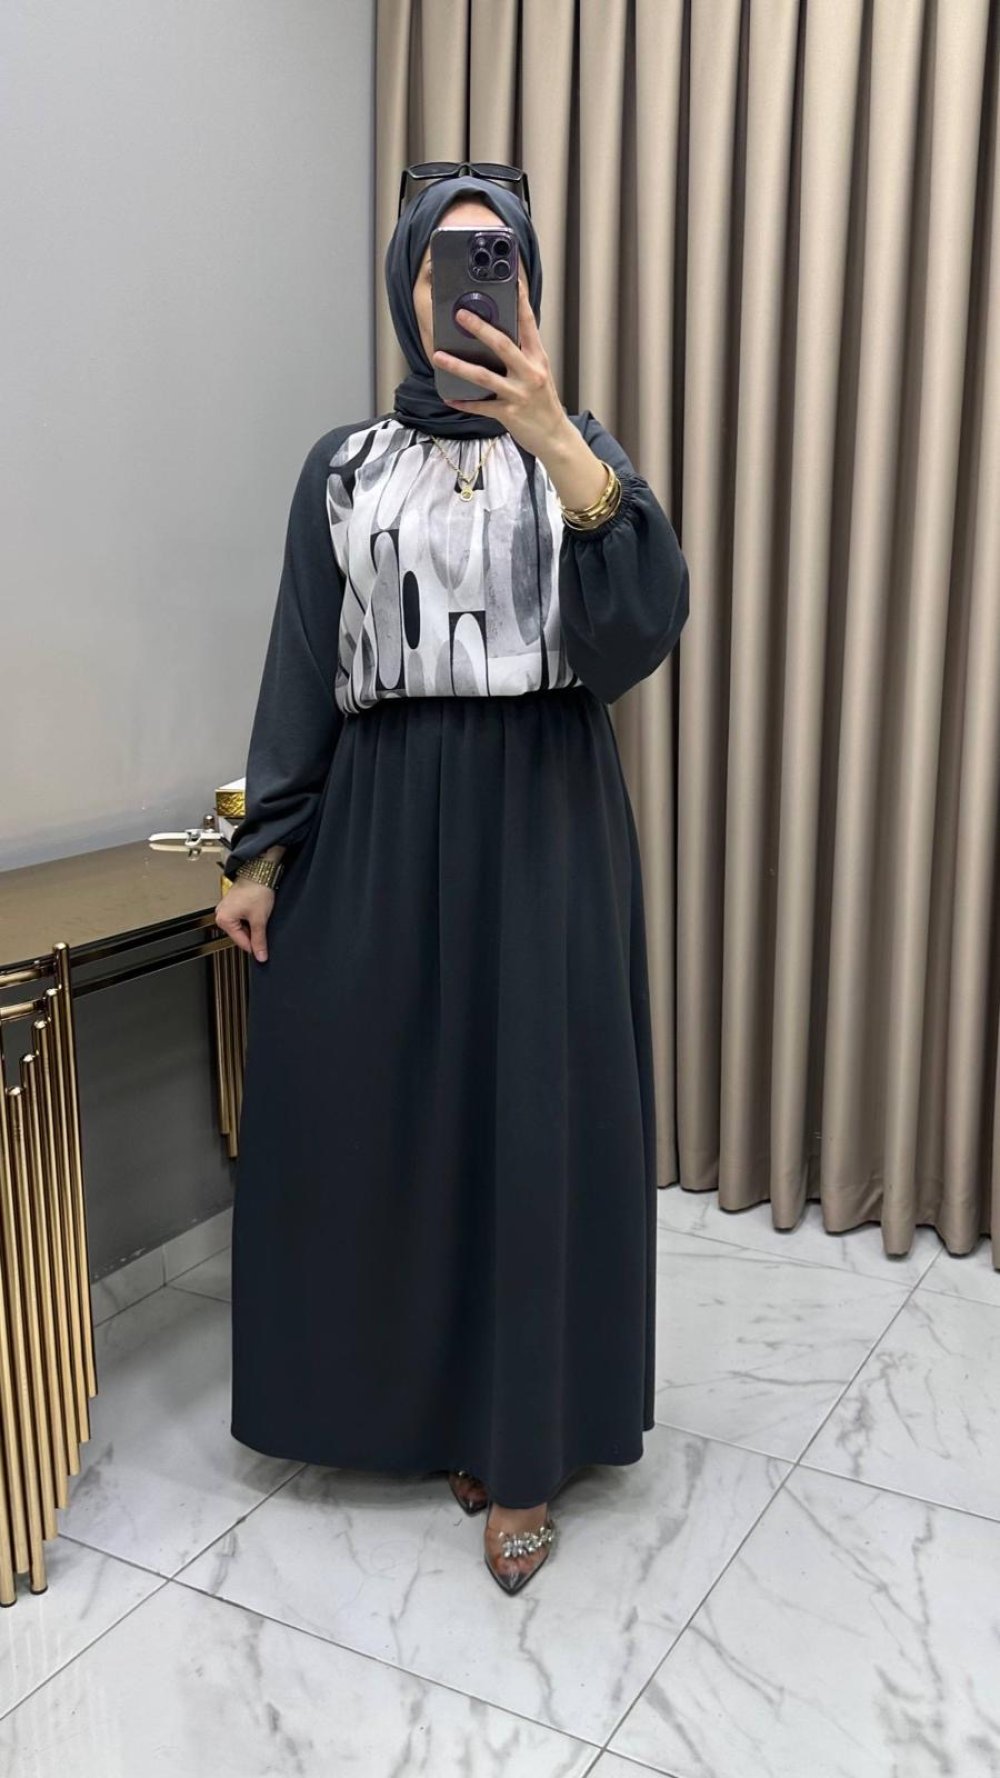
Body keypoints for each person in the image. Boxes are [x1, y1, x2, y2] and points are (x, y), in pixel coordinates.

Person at [214, 164, 690, 1595]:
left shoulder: (581, 455)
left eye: (501, 260)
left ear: (529, 288)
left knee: (531, 1126)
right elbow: (303, 661)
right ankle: (416, 1403)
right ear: (408, 286)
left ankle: (520, 1445)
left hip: (543, 816)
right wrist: (261, 849)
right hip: (379, 818)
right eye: (447, 261)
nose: (474, 283)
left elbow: (638, 635)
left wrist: (555, 437)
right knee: (386, 1111)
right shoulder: (343, 468)